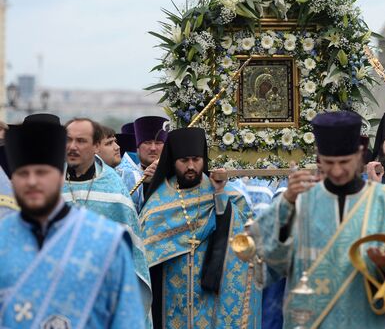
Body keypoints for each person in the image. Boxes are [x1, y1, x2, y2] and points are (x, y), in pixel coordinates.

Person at [250, 110, 385, 328]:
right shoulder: (300, 201)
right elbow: (268, 264)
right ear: (319, 157)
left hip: (366, 319)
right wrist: (286, 206)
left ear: (359, 154)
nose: (337, 171)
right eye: (329, 162)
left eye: (345, 162)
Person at [0, 120, 145, 328]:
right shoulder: (2, 237)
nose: (32, 181)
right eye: (23, 174)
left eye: (42, 172)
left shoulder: (107, 241)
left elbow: (126, 319)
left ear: (60, 177)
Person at [140, 127, 261, 328]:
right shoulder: (160, 200)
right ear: (173, 161)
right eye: (184, 160)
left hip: (212, 294)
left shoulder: (224, 191)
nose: (191, 166)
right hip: (172, 294)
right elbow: (146, 252)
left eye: (196, 159)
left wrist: (220, 195)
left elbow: (248, 238)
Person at [61, 117, 152, 316]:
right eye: (68, 140)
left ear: (94, 146)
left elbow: (131, 249)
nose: (73, 147)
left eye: (81, 141)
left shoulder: (113, 187)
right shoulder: (52, 185)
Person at [117, 116, 167, 213]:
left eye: (158, 143)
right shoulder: (124, 175)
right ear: (138, 147)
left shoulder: (174, 173)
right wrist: (145, 184)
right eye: (147, 142)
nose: (153, 148)